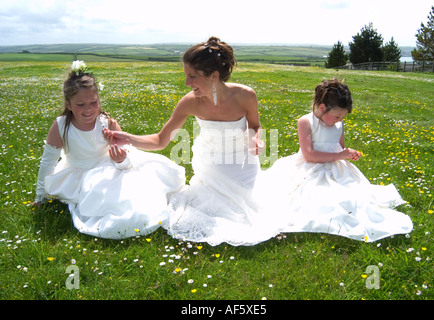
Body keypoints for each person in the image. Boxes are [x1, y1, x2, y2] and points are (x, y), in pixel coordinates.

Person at [104, 37, 279, 246]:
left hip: (243, 165)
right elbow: (160, 140)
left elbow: (255, 126)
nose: (187, 83)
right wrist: (128, 138)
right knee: (207, 207)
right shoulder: (190, 102)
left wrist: (255, 140)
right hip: (210, 165)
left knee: (248, 209)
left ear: (214, 76)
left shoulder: (245, 95)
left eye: (192, 76)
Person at [33, 61, 185, 239]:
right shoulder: (61, 127)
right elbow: (48, 161)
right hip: (81, 172)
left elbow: (125, 151)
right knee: (106, 197)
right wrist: (40, 195)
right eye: (80, 104)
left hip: (110, 165)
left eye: (93, 102)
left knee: (142, 188)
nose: (89, 109)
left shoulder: (106, 122)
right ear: (68, 104)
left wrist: (121, 160)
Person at [256, 79, 413, 242]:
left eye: (343, 117)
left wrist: (347, 154)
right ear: (322, 108)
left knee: (353, 197)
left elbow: (339, 147)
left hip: (337, 168)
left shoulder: (339, 124)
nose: (339, 120)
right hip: (311, 167)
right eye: (337, 116)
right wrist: (340, 155)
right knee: (316, 197)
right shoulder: (306, 122)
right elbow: (309, 155)